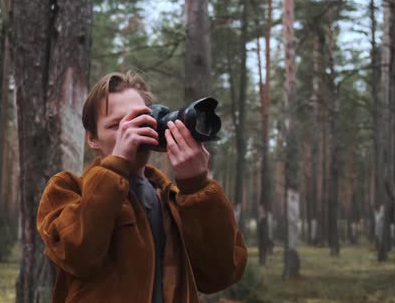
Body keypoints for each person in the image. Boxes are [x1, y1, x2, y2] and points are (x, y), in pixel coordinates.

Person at [36, 70, 247, 302]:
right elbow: (77, 254)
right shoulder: (67, 190)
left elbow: (220, 275)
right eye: (118, 125)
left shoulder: (175, 201)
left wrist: (197, 186)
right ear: (92, 138)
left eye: (140, 120)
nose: (132, 132)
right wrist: (116, 167)